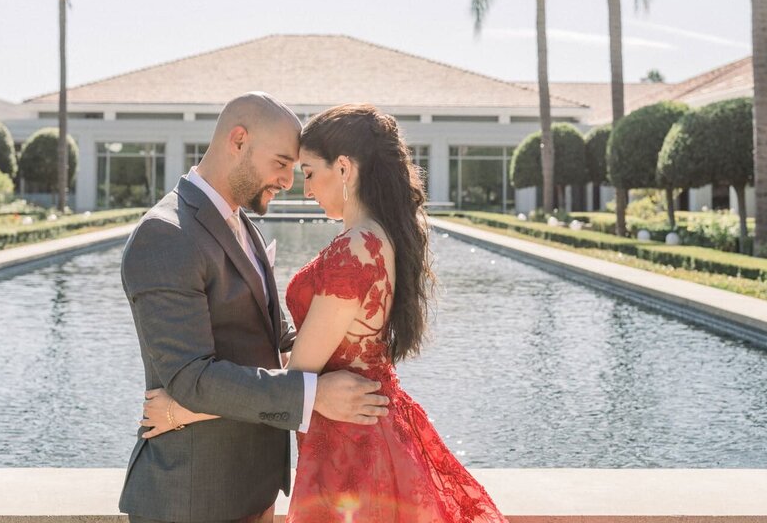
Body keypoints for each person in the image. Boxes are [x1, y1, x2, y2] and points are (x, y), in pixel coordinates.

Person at [142, 103, 507, 522]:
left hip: (350, 443)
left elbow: (299, 375)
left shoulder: (353, 249)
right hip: (368, 425)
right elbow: (318, 358)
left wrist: (187, 409)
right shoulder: (378, 237)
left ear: (345, 169)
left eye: (310, 173)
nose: (305, 189)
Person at [120, 93, 390, 523]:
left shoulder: (242, 223)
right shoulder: (165, 234)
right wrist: (313, 396)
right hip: (194, 499)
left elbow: (274, 340)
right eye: (281, 163)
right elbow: (189, 376)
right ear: (238, 140)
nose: (288, 181)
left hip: (255, 488)